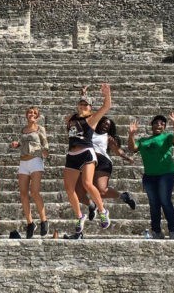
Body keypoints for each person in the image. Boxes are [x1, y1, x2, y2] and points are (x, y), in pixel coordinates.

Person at [63, 84, 112, 239]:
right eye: (81, 103)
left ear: (90, 107)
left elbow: (106, 106)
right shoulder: (71, 118)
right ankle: (79, 216)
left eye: (86, 104)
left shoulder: (92, 119)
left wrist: (107, 94)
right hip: (72, 153)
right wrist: (84, 94)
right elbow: (72, 124)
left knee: (87, 183)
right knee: (69, 189)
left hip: (86, 152)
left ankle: (103, 211)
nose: (83, 106)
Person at [128, 112, 174, 239]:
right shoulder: (143, 140)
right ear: (151, 125)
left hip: (166, 174)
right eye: (156, 123)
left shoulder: (167, 137)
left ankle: (172, 230)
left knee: (165, 200)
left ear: (164, 127)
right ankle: (156, 231)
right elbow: (132, 148)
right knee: (154, 204)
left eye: (162, 124)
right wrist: (131, 135)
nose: (159, 125)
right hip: (149, 176)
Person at [77, 114, 137, 221]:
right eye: (104, 123)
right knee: (79, 193)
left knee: (102, 191)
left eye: (108, 125)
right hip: (85, 161)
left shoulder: (107, 137)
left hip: (102, 162)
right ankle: (92, 205)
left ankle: (123, 196)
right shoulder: (88, 131)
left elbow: (117, 151)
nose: (105, 125)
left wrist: (128, 158)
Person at [10, 106, 49, 239]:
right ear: (26, 115)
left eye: (34, 113)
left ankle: (44, 220)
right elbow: (22, 144)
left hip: (36, 160)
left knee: (35, 192)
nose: (31, 114)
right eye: (29, 112)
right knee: (23, 194)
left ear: (37, 116)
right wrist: (16, 144)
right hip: (23, 162)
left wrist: (45, 152)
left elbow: (45, 144)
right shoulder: (23, 130)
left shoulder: (40, 129)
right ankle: (30, 223)